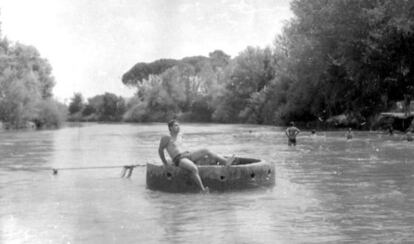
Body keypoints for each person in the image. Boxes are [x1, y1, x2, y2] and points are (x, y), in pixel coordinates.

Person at [158, 119, 234, 192]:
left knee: (206, 150)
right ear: (170, 128)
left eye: (179, 125)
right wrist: (165, 163)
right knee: (194, 168)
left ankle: (225, 161)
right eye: (176, 125)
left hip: (188, 154)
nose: (178, 127)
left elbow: (182, 147)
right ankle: (203, 190)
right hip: (179, 159)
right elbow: (160, 150)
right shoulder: (166, 137)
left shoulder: (180, 135)